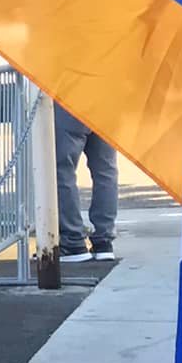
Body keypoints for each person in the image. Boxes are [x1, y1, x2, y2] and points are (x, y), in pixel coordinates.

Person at [55, 102, 119, 262]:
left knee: (62, 170)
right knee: (106, 171)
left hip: (69, 99)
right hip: (107, 102)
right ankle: (104, 241)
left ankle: (72, 241)